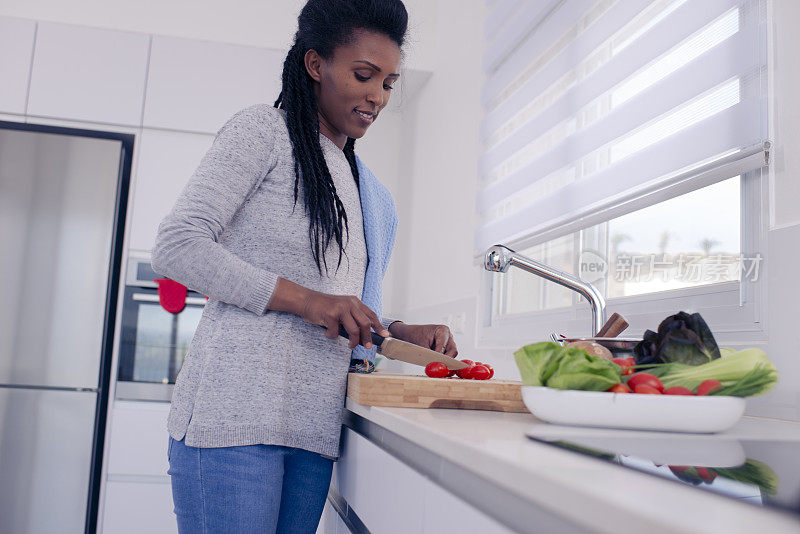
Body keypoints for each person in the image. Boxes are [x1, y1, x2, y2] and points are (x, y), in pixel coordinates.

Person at [151, 0, 459, 532]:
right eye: (364, 75)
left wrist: (396, 331)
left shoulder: (373, 195)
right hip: (233, 418)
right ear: (316, 65)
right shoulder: (261, 134)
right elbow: (177, 245)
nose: (377, 97)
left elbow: (349, 310)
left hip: (313, 430)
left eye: (388, 82)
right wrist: (309, 301)